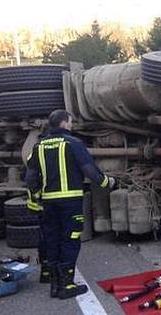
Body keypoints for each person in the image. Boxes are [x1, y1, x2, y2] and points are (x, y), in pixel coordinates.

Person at [25, 110, 115, 299]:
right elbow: (90, 170)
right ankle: (66, 285)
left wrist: (36, 197)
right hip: (70, 202)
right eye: (71, 122)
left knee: (53, 238)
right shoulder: (73, 143)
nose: (72, 125)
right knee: (70, 239)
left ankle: (54, 284)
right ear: (64, 123)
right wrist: (108, 182)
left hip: (49, 202)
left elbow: (31, 177)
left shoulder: (39, 145)